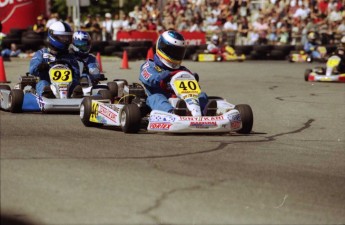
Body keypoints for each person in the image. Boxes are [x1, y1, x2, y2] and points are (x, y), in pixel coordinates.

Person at [139, 30, 217, 116]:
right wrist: (161, 77)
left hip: (181, 99)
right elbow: (148, 78)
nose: (175, 54)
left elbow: (193, 85)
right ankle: (172, 113)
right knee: (156, 98)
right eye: (172, 51)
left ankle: (204, 112)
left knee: (202, 95)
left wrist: (193, 79)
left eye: (178, 52)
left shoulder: (182, 69)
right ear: (162, 48)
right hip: (159, 97)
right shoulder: (149, 65)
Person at [29, 21, 81, 98]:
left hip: (67, 85)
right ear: (53, 36)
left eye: (67, 37)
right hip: (48, 83)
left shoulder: (70, 56)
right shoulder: (42, 53)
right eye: (62, 37)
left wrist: (72, 70)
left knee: (75, 82)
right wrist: (41, 67)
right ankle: (46, 95)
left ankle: (76, 95)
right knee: (43, 83)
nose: (66, 40)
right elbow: (32, 70)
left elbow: (77, 74)